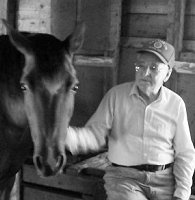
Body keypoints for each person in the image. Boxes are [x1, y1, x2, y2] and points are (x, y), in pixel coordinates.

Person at [65, 39, 195, 200]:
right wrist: (65, 136)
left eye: (153, 68)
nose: (144, 73)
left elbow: (185, 153)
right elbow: (94, 134)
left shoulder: (175, 104)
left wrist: (182, 194)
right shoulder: (116, 96)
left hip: (165, 181)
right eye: (140, 66)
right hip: (124, 178)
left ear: (167, 74)